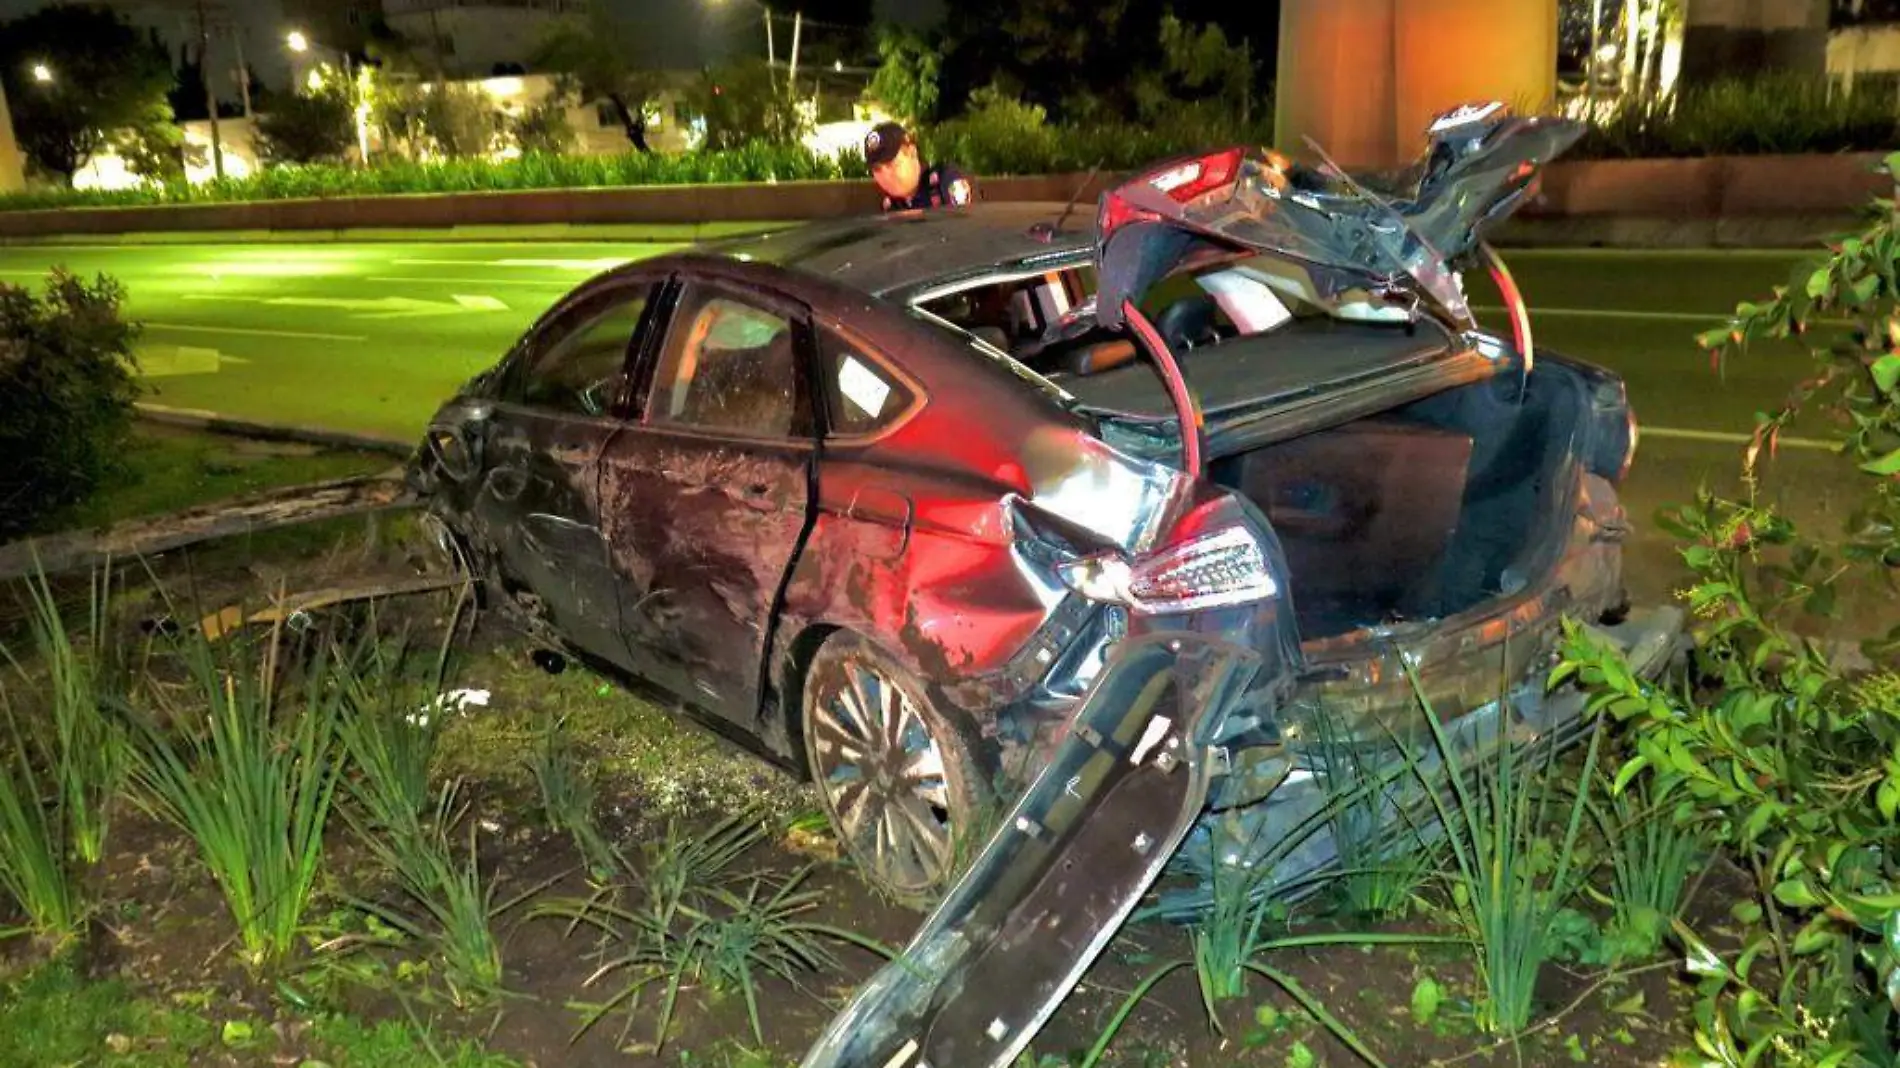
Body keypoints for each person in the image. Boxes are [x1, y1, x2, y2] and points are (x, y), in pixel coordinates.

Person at [863, 121, 975, 213]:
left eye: (891, 165)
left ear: (912, 152)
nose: (885, 176)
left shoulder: (946, 182)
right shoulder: (889, 205)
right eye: (877, 169)